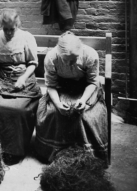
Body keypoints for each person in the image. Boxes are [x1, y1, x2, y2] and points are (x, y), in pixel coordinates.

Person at [0, 9, 42, 165]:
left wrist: (24, 78)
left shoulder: (27, 37)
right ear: (1, 26)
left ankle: (14, 150)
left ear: (17, 25)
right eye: (6, 29)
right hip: (1, 76)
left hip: (22, 77)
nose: (9, 32)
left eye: (12, 29)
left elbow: (33, 63)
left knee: (19, 108)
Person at [34, 31, 108, 164]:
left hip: (85, 88)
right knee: (53, 113)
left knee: (86, 116)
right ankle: (56, 154)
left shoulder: (90, 55)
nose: (69, 64)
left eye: (73, 60)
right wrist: (57, 103)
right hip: (62, 88)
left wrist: (83, 100)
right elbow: (51, 85)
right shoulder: (51, 57)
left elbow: (92, 82)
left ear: (80, 51)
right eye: (65, 60)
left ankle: (87, 156)